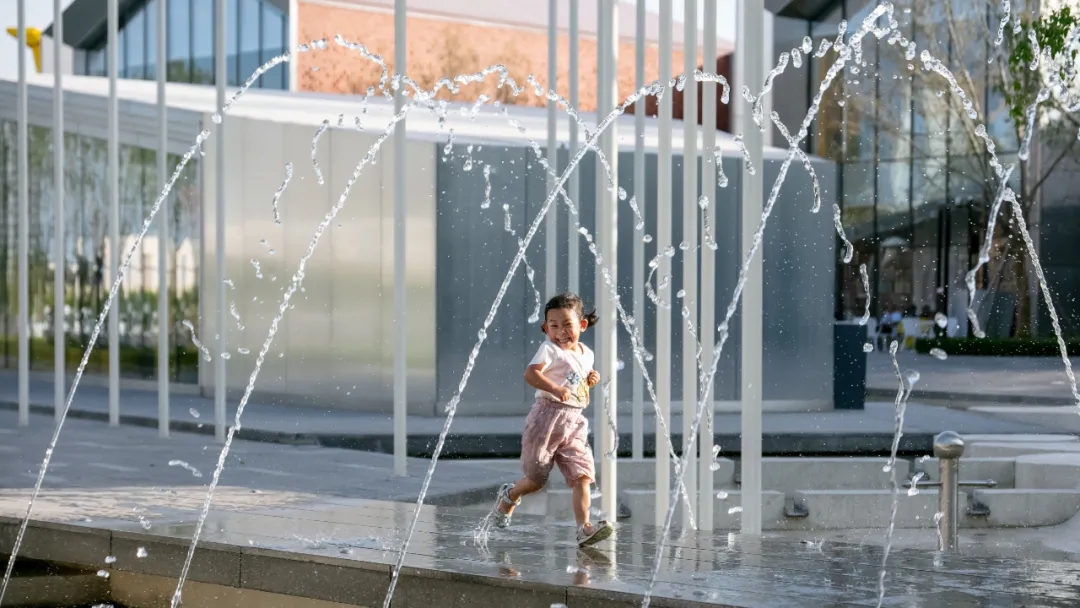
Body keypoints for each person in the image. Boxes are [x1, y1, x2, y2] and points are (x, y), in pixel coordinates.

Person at [492, 292, 615, 548]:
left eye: (567, 325)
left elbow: (576, 382)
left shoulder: (586, 353)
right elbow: (531, 374)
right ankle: (509, 496)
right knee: (536, 481)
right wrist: (555, 389)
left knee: (583, 475)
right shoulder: (549, 349)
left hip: (574, 422)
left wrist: (590, 381)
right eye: (554, 326)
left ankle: (584, 528)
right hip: (546, 419)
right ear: (546, 328)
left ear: (582, 325)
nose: (560, 332)